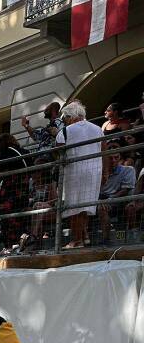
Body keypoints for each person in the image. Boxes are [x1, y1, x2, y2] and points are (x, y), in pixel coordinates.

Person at [55, 100, 104, 248]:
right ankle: (84, 237)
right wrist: (106, 172)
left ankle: (76, 240)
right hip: (95, 171)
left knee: (74, 207)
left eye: (66, 119)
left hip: (74, 171)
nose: (66, 122)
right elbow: (105, 150)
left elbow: (59, 154)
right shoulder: (97, 129)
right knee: (85, 207)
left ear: (70, 117)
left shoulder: (65, 131)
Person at [97, 144, 135, 243]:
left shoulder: (128, 170)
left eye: (116, 157)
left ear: (120, 158)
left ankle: (131, 236)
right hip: (102, 199)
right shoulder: (98, 172)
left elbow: (125, 190)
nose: (113, 160)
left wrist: (111, 199)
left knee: (130, 207)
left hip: (120, 199)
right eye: (110, 158)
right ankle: (106, 240)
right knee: (102, 207)